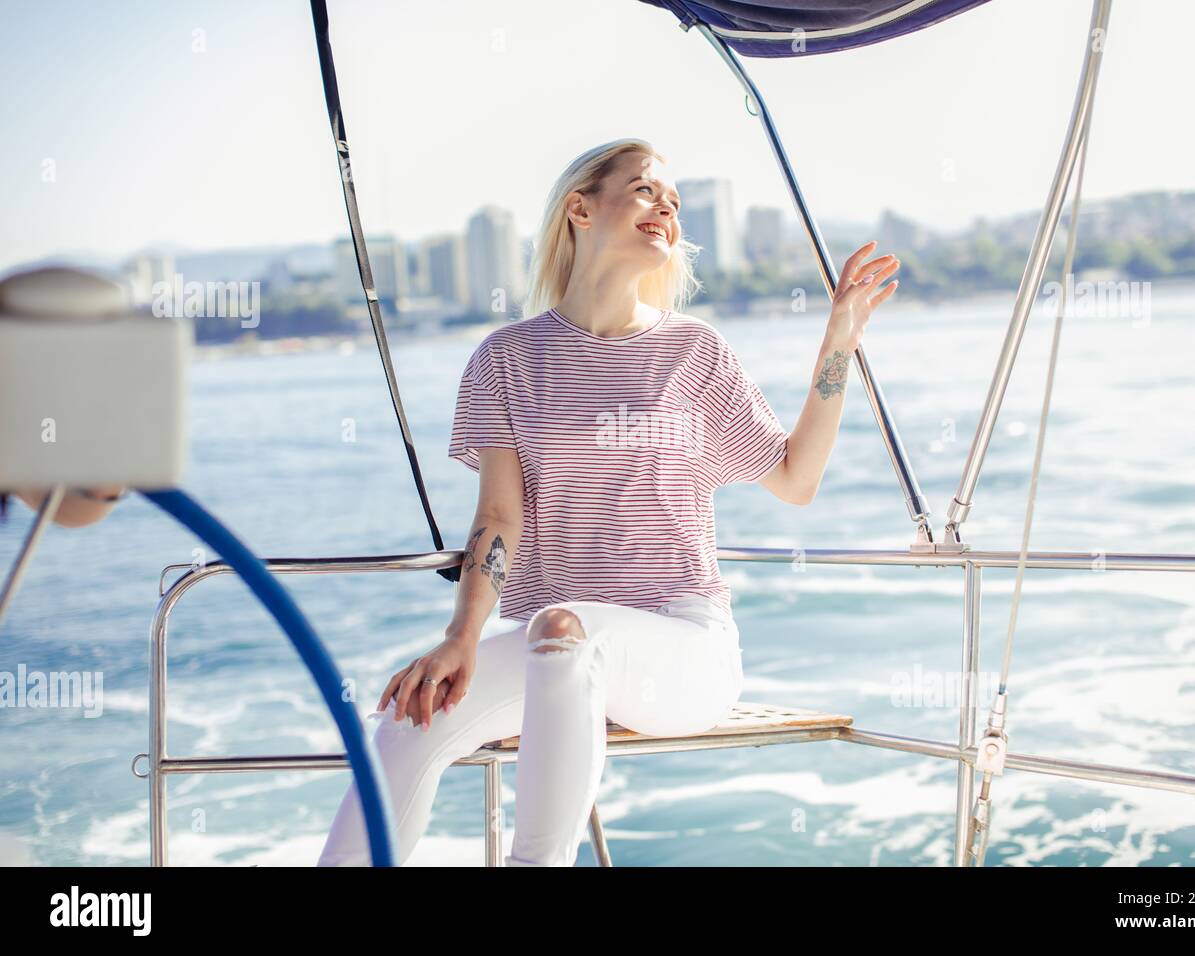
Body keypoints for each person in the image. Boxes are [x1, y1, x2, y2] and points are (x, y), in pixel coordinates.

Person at [317, 138, 900, 866]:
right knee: (408, 721)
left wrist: (839, 340)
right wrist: (461, 638)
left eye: (676, 202)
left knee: (566, 629)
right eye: (647, 190)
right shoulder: (506, 359)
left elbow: (795, 478)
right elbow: (499, 519)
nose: (667, 210)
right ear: (581, 208)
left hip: (684, 648)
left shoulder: (696, 352)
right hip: (550, 651)